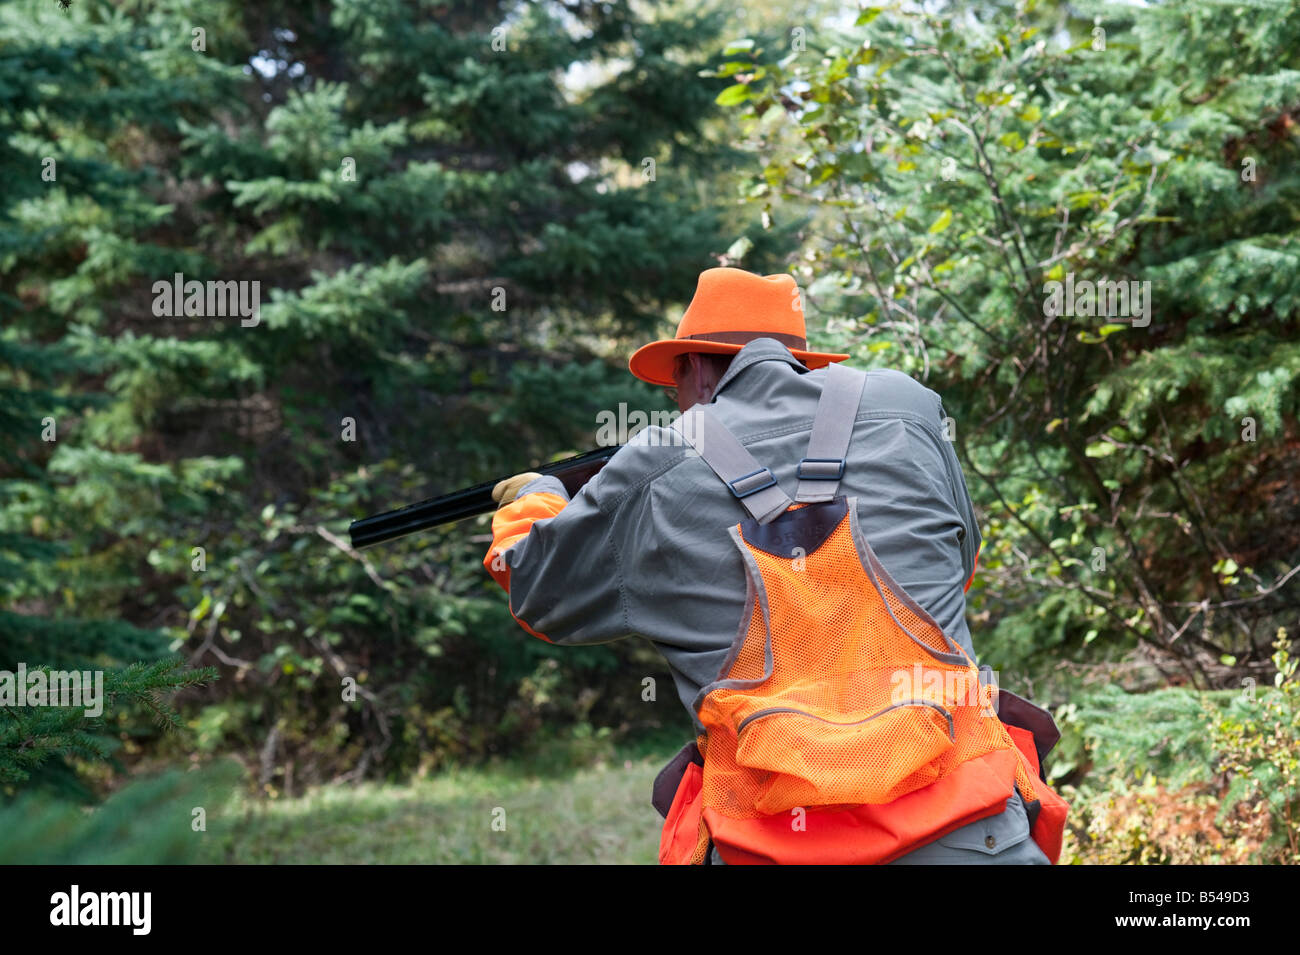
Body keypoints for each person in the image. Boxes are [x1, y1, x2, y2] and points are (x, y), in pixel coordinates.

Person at [483, 267, 1066, 864]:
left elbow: (536, 592)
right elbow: (957, 563)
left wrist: (542, 499)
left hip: (768, 847)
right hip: (973, 830)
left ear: (697, 368)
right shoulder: (913, 411)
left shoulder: (654, 464)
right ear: (803, 363)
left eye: (674, 384)